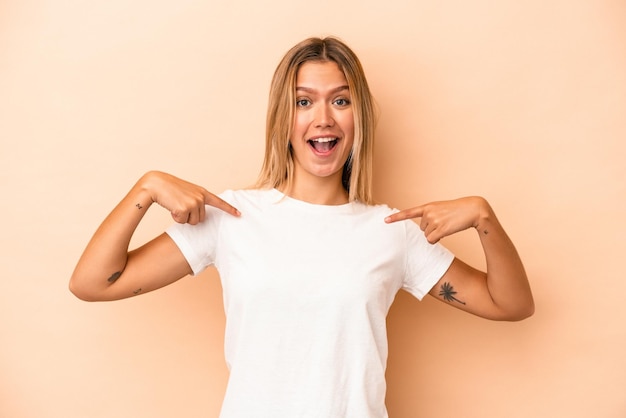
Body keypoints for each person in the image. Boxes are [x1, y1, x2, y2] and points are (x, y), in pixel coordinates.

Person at [70, 36, 534, 418]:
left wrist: (483, 218)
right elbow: (93, 283)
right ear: (283, 118)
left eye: (341, 100)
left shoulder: (393, 230)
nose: (323, 118)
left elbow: (510, 304)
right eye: (303, 101)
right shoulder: (231, 218)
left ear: (359, 118)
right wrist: (145, 189)